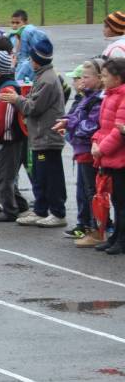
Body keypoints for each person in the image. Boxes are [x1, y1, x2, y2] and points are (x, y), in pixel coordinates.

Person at [0, 33, 68, 228]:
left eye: (31, 58)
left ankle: (57, 212)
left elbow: (33, 107)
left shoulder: (47, 80)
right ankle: (40, 210)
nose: (29, 61)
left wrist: (16, 99)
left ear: (37, 60)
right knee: (40, 175)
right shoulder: (43, 76)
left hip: (48, 138)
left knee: (50, 176)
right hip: (40, 137)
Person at [0, 50, 30, 223]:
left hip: (9, 140)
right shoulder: (0, 86)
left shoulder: (6, 89)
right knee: (2, 172)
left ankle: (10, 210)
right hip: (6, 139)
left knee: (3, 175)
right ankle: (20, 204)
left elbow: (2, 120)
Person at [60, 60, 104, 245]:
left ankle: (96, 230)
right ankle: (89, 226)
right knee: (86, 190)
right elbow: (76, 115)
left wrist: (71, 124)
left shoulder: (97, 99)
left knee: (92, 192)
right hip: (82, 150)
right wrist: (66, 120)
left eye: (86, 77)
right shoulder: (87, 96)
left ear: (99, 78)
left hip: (89, 149)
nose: (82, 80)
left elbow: (91, 126)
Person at [90, 57, 125, 254]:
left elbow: (119, 131)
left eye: (104, 76)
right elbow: (103, 127)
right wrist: (95, 140)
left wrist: (101, 149)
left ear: (117, 78)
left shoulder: (122, 96)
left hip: (120, 157)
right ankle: (115, 237)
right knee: (116, 200)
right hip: (110, 156)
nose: (102, 79)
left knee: (121, 202)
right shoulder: (109, 95)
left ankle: (121, 240)